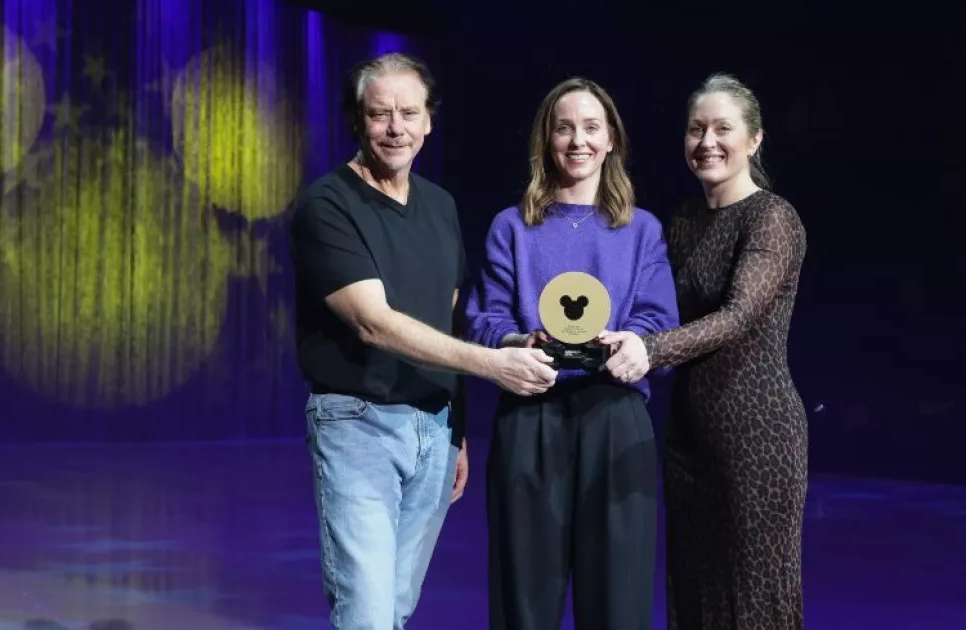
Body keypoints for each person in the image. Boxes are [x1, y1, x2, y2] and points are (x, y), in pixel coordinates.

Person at [288, 52, 558, 630]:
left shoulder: (440, 205)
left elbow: (451, 316)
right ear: (357, 120)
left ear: (429, 121)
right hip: (357, 424)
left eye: (409, 113)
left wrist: (457, 429)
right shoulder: (327, 205)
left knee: (394, 610)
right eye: (380, 114)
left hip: (433, 429)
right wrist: (493, 365)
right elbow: (373, 322)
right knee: (366, 615)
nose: (396, 128)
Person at [463, 76, 680, 630]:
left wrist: (634, 343)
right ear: (546, 140)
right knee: (524, 602)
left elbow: (658, 319)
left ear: (611, 141)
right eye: (564, 128)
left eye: (591, 128)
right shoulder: (512, 227)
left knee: (618, 602)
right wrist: (518, 342)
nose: (578, 140)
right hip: (530, 417)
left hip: (615, 416)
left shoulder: (642, 230)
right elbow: (485, 319)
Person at [601, 72, 809, 629]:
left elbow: (739, 316)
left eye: (723, 129)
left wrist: (649, 350)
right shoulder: (685, 220)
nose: (707, 142)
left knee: (751, 597)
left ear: (754, 139)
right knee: (693, 593)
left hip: (756, 435)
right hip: (688, 437)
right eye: (696, 129)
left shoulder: (772, 217)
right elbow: (652, 307)